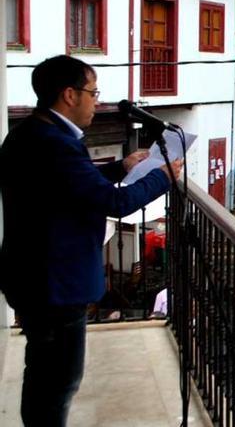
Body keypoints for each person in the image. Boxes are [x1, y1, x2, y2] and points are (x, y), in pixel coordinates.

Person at [0, 55, 180, 426]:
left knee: (43, 377)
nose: (96, 101)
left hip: (36, 277)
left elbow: (70, 185)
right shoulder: (54, 143)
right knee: (57, 383)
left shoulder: (34, 133)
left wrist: (121, 167)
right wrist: (162, 177)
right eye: (92, 92)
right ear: (69, 94)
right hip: (54, 284)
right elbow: (116, 201)